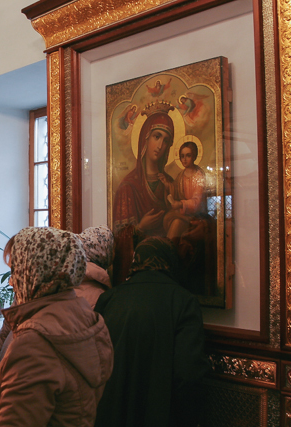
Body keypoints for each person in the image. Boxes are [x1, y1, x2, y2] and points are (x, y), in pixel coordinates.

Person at [0, 226, 114, 427]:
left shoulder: (35, 343)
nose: (11, 282)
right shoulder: (87, 318)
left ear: (35, 274)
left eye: (15, 272)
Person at [94, 237, 210, 427]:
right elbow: (187, 374)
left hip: (108, 412)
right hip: (158, 413)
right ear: (170, 259)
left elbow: (93, 360)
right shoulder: (183, 301)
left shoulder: (109, 298)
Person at [112, 101, 176, 284]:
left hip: (167, 272)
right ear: (145, 139)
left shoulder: (170, 184)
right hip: (139, 276)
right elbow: (119, 238)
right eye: (157, 136)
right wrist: (140, 227)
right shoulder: (128, 186)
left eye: (166, 140)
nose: (160, 145)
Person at [164, 140, 207, 240]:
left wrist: (180, 204)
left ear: (194, 156)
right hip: (183, 213)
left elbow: (197, 202)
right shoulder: (181, 175)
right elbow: (174, 189)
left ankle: (168, 247)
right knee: (168, 218)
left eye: (188, 155)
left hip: (195, 216)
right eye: (182, 156)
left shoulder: (199, 175)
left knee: (176, 223)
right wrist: (166, 184)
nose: (184, 159)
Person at [75, 225, 114, 309]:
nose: (114, 254)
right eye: (112, 249)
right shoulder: (97, 295)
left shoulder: (75, 276)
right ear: (102, 251)